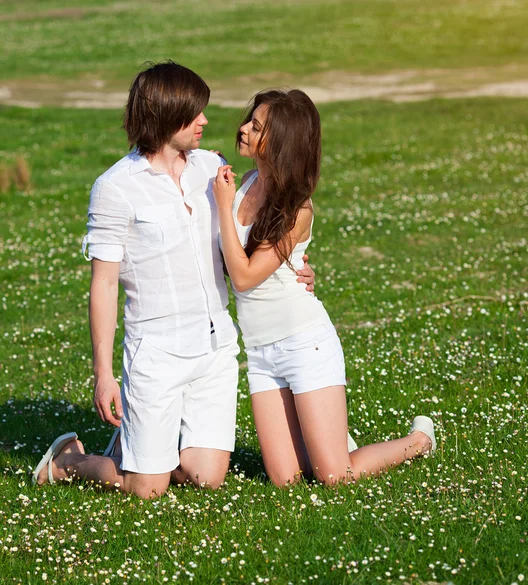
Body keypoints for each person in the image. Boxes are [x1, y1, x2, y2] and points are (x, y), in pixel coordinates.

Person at [31, 62, 315, 498]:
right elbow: (104, 286)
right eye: (193, 113)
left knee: (206, 477)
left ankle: (141, 446)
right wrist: (103, 374)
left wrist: (294, 263)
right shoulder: (114, 188)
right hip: (155, 353)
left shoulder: (212, 168)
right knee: (147, 489)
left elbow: (252, 234)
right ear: (164, 117)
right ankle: (70, 459)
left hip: (214, 350)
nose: (205, 120)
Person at [212, 89, 436, 487]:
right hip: (262, 352)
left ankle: (418, 440)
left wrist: (222, 206)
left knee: (335, 475)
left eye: (256, 127)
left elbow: (244, 276)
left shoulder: (297, 209)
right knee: (286, 480)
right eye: (250, 120)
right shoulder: (244, 184)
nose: (243, 129)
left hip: (305, 344)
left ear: (279, 144)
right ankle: (331, 436)